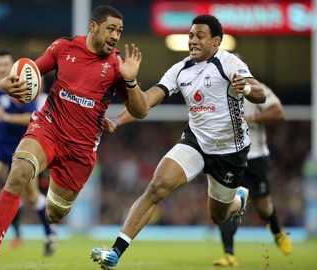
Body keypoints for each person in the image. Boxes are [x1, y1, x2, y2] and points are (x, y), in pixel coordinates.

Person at [0, 5, 148, 270]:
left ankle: (48, 225)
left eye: (119, 31)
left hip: (80, 150)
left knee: (55, 214)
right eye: (110, 28)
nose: (115, 36)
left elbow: (141, 110)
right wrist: (8, 84)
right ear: (92, 27)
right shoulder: (63, 48)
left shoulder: (117, 66)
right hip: (48, 129)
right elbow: (28, 74)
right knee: (19, 171)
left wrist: (131, 82)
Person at [90, 14, 266, 269]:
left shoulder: (228, 62)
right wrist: (117, 119)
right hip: (195, 142)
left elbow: (258, 93)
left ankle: (237, 199)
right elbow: (148, 100)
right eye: (191, 35)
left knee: (218, 216)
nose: (193, 40)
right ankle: (115, 252)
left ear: (216, 41)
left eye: (200, 36)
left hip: (230, 151)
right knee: (157, 186)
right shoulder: (180, 69)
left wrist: (246, 88)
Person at [0, 49, 56, 257]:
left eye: (4, 65)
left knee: (33, 197)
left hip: (22, 146)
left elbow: (30, 118)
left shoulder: (22, 88)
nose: (0, 69)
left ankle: (49, 233)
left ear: (13, 67)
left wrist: (6, 117)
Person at [212, 82, 292, 266]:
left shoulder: (256, 88)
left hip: (255, 157)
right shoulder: (214, 88)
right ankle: (229, 255)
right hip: (228, 157)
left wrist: (252, 118)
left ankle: (276, 231)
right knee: (226, 203)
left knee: (263, 206)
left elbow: (278, 113)